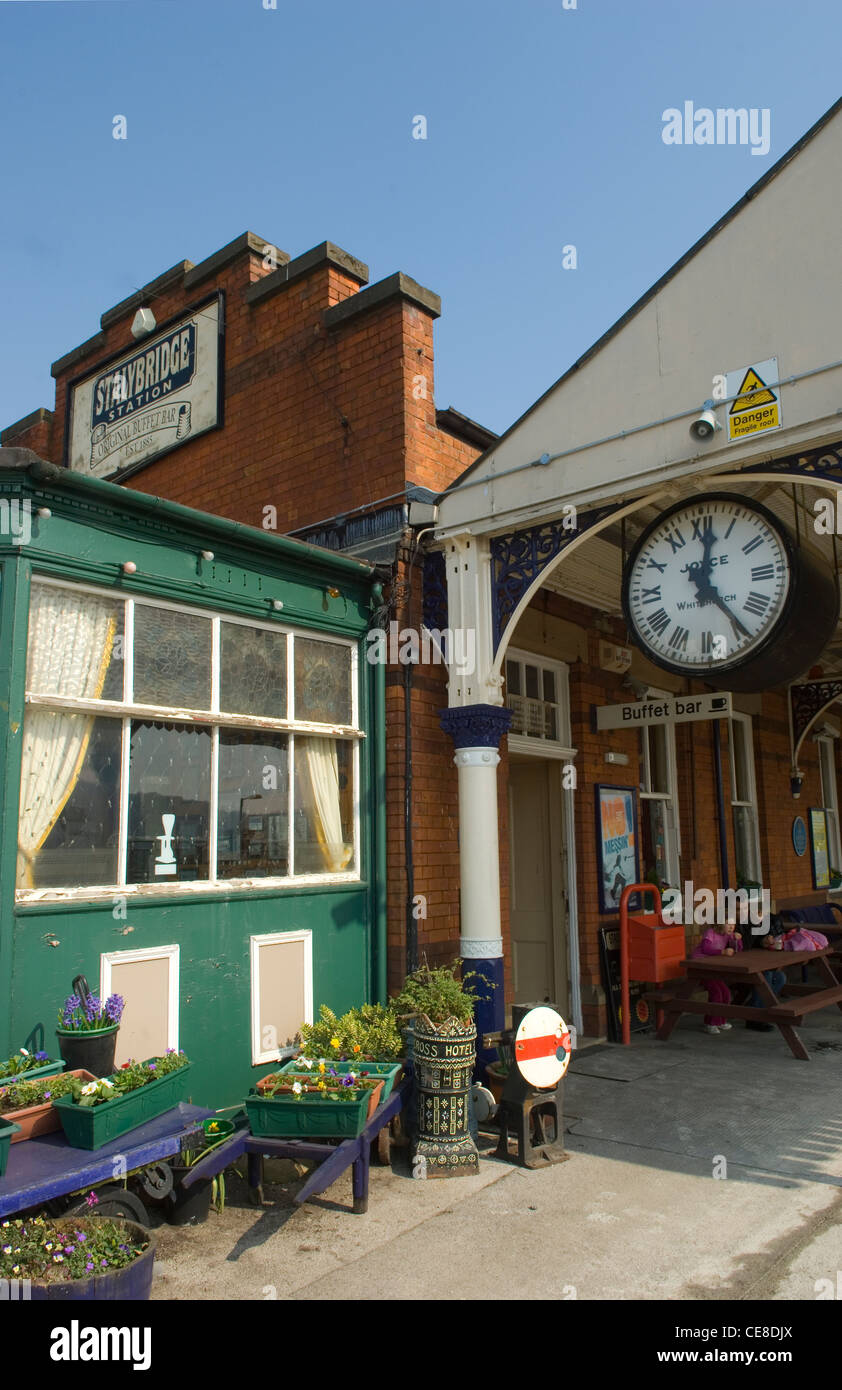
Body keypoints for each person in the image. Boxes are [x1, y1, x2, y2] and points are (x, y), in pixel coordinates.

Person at [691, 923, 741, 1034]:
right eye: (729, 924)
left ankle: (720, 1021)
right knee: (717, 992)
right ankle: (710, 1023)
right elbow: (705, 949)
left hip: (713, 969)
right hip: (700, 968)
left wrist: (738, 940)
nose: (732, 927)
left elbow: (738, 949)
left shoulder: (727, 935)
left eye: (733, 924)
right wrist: (722, 952)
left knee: (726, 992)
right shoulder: (710, 933)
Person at [745, 931, 787, 1032]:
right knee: (766, 976)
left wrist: (764, 941)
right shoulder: (742, 924)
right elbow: (746, 944)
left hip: (758, 960)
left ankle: (753, 1008)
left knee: (780, 977)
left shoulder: (764, 922)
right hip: (743, 964)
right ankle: (756, 1018)